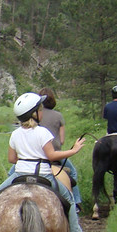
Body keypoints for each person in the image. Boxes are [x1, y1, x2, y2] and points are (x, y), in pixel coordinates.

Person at [0, 92, 84, 232]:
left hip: (19, 175)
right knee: (68, 198)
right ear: (34, 114)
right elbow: (52, 155)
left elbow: (12, 159)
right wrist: (73, 150)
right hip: (43, 174)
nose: (41, 112)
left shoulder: (15, 134)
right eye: (40, 109)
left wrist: (26, 158)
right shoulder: (43, 133)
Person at [37, 87, 83, 218]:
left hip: (35, 156)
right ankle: (77, 202)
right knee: (72, 172)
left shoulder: (34, 116)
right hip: (54, 154)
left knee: (12, 173)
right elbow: (61, 141)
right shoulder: (58, 116)